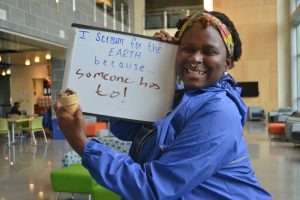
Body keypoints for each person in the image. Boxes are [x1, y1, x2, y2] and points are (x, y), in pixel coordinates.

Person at [54, 10, 272, 199]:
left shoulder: (218, 112)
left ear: (228, 61)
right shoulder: (181, 97)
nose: (195, 58)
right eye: (187, 48)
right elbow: (125, 130)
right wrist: (159, 66)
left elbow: (153, 188)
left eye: (209, 51)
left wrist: (82, 143)